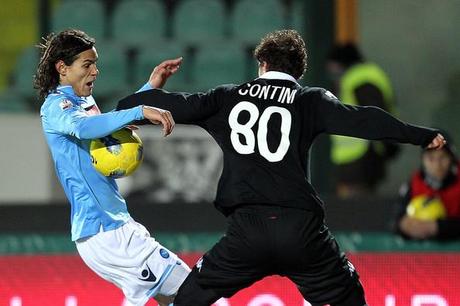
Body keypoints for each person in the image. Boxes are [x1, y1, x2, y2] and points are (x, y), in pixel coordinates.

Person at [117, 30, 446, 306]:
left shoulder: (226, 98)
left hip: (247, 233)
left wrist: (142, 95)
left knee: (188, 298)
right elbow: (366, 119)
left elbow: (148, 106)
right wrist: (422, 136)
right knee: (350, 297)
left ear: (262, 63)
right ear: (299, 70)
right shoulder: (310, 100)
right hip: (301, 233)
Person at [34, 29, 190, 306]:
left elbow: (105, 126)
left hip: (113, 226)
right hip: (105, 232)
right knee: (192, 290)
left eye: (95, 63)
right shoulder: (57, 105)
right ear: (62, 68)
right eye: (87, 65)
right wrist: (140, 110)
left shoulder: (81, 102)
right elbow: (84, 128)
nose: (95, 72)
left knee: (176, 298)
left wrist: (149, 89)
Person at [326, 43, 400, 198]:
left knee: (359, 210)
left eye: (333, 67)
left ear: (340, 64)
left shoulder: (360, 79)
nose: (332, 72)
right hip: (358, 158)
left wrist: (389, 143)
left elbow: (376, 115)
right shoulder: (364, 77)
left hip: (362, 158)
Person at [396, 134, 460, 240]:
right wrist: (404, 226)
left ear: (451, 159)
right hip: (422, 253)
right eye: (431, 158)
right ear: (423, 160)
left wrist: (438, 227)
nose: (437, 165)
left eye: (443, 157)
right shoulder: (414, 182)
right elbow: (396, 222)